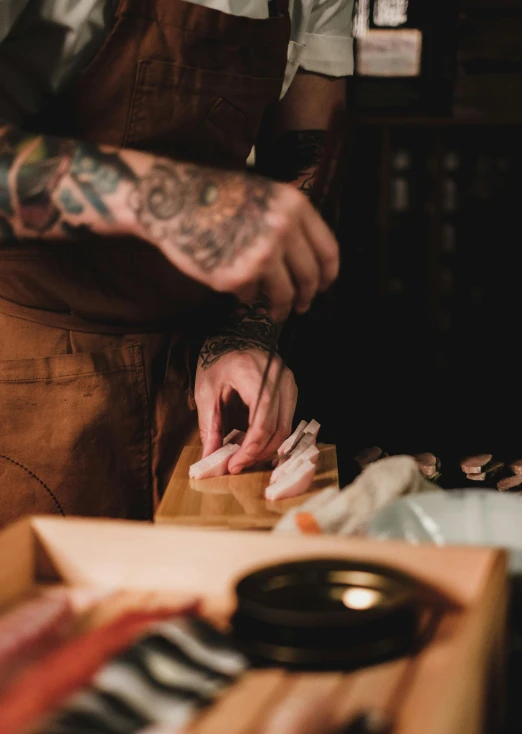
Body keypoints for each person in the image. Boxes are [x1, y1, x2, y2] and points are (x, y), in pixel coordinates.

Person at [0, 0, 354, 526]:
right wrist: (169, 198)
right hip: (32, 374)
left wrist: (243, 336)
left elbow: (305, 160)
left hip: (195, 383)